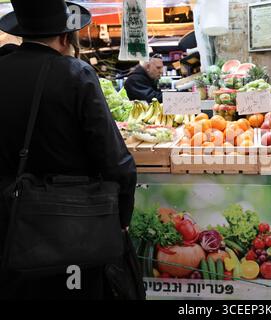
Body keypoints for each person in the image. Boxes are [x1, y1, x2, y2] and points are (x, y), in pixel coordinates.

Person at [0, 0, 137, 299]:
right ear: (65, 37)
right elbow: (115, 161)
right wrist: (123, 215)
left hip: (9, 226)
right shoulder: (76, 75)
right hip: (71, 227)